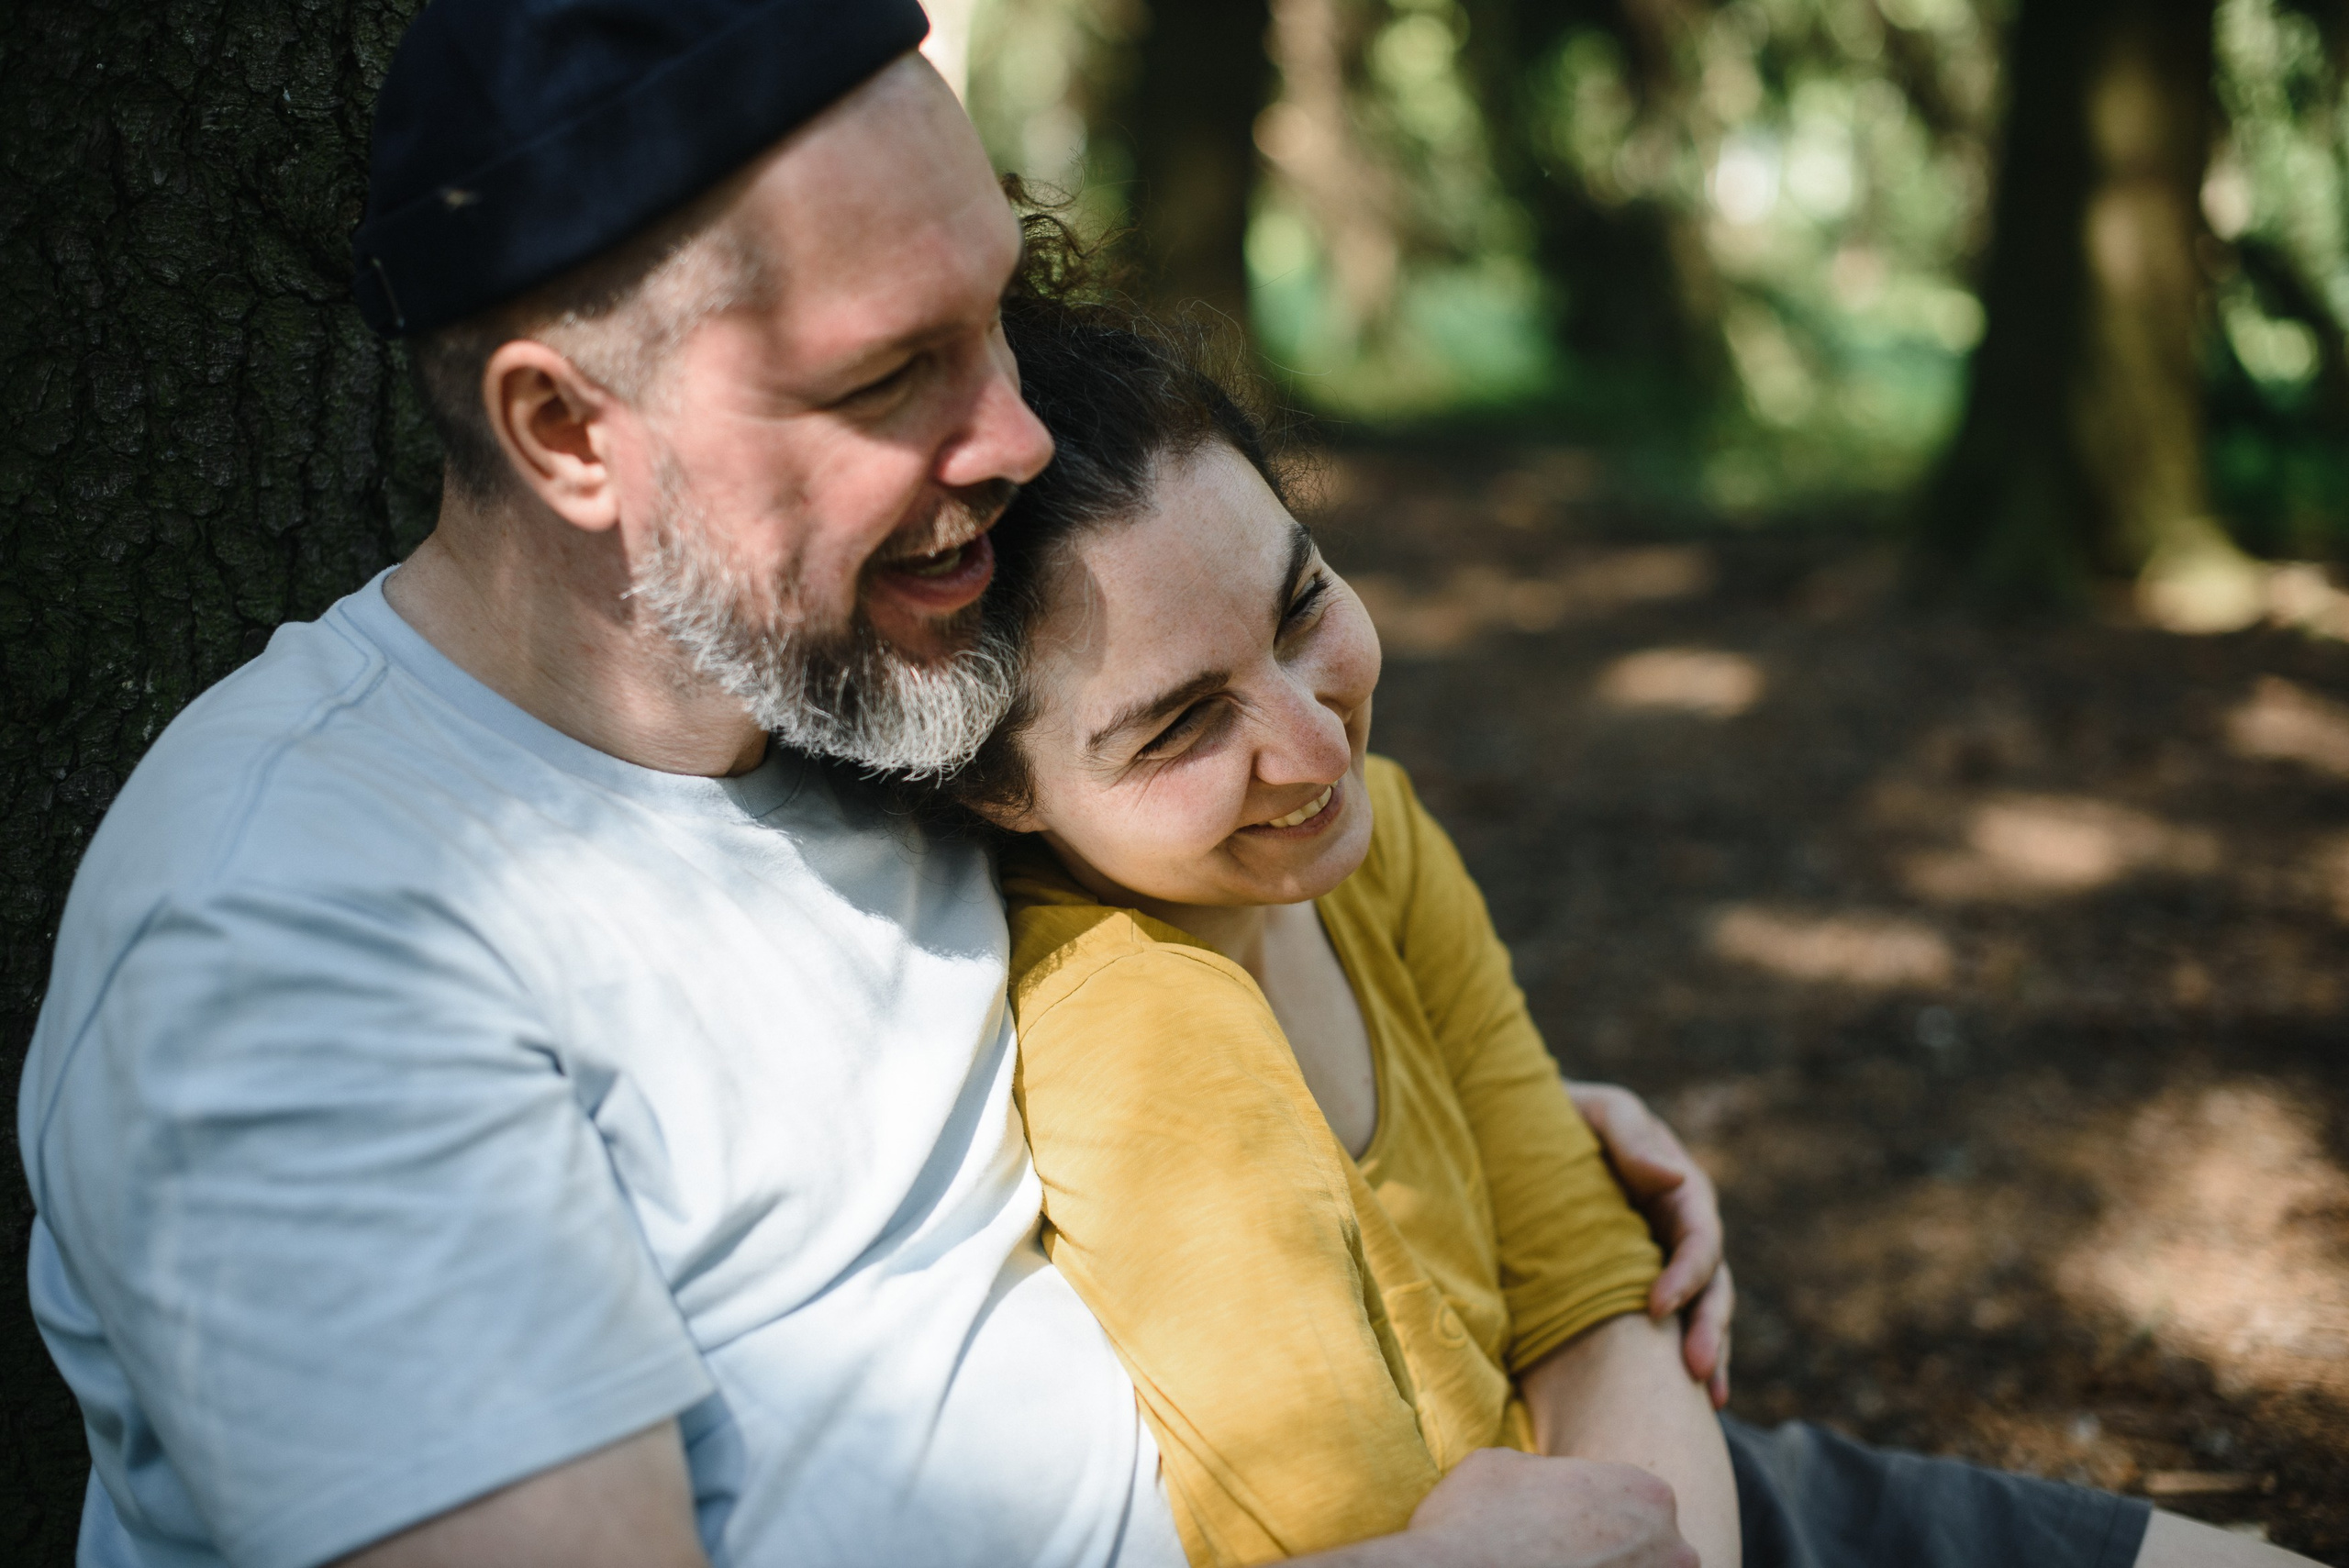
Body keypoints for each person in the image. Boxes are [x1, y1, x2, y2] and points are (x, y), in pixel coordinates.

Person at [17, 4, 1720, 1565]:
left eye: (992, 321)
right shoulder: (298, 941)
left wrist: (1505, 1167)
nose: (1017, 438)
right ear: (567, 435)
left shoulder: (877, 700)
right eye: (889, 374)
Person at [906, 281, 2319, 1568]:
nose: (1317, 745)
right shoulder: (1138, 1042)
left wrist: (1642, 1435)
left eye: (1302, 606)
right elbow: (1366, 1519)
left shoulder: (1371, 840)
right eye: (1180, 726)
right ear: (1006, 787)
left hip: (1690, 1501)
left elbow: (1591, 1290)